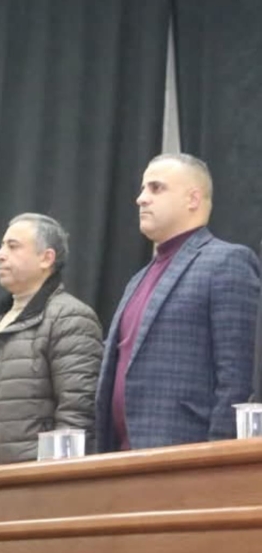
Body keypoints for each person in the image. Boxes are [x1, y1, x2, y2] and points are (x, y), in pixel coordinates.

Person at [96, 153, 260, 453]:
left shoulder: (227, 261)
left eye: (156, 188)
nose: (141, 198)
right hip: (122, 457)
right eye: (143, 188)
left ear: (192, 199)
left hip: (187, 456)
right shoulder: (138, 279)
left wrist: (218, 457)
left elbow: (237, 375)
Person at [0, 213, 103, 467]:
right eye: (2, 246)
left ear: (46, 258)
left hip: (29, 482)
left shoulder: (70, 317)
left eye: (12, 246)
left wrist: (51, 479)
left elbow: (78, 413)